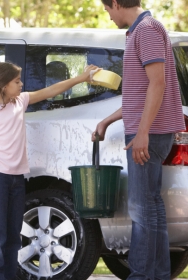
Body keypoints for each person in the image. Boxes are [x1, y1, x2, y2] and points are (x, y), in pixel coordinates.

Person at [0, 62, 99, 280]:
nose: (21, 84)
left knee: (14, 236)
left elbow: (51, 90)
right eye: (16, 81)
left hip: (17, 180)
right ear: (4, 86)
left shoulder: (21, 101)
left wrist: (81, 78)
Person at [93, 1, 185, 279]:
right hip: (151, 131)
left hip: (150, 133)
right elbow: (141, 93)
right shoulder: (144, 30)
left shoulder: (146, 30)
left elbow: (158, 83)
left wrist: (143, 132)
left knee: (142, 210)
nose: (108, 15)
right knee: (151, 207)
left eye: (108, 8)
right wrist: (108, 119)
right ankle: (155, 275)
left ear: (118, 3)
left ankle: (143, 275)